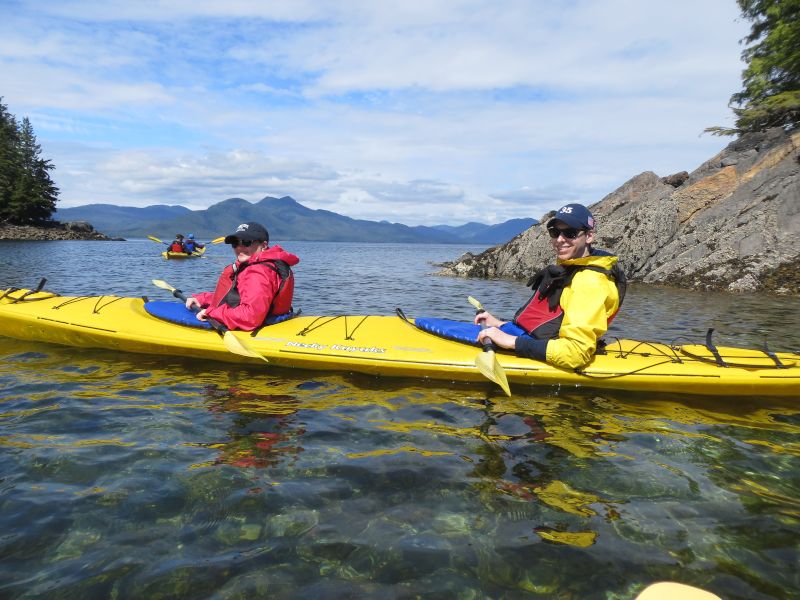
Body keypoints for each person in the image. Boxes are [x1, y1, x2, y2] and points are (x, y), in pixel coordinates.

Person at [476, 203, 625, 370]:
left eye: (570, 233)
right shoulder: (571, 269)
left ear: (589, 236)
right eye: (555, 232)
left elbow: (575, 353)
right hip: (536, 340)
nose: (560, 240)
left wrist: (512, 342)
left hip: (562, 353)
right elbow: (548, 325)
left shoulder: (590, 283)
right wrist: (500, 325)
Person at [185, 222, 299, 331]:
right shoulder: (258, 265)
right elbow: (237, 297)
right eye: (235, 243)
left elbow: (250, 316)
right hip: (273, 320)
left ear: (263, 245)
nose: (239, 247)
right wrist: (203, 299)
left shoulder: (258, 272)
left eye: (246, 242)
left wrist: (211, 313)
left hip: (259, 326)